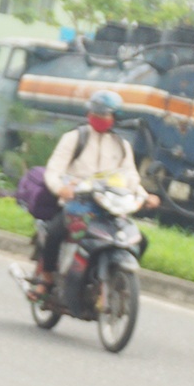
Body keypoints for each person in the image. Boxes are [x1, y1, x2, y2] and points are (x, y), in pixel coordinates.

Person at [33, 89, 159, 295]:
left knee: (140, 240)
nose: (98, 118)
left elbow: (131, 177)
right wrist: (60, 189)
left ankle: (115, 280)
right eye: (95, 113)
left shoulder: (122, 146)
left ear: (115, 118)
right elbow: (54, 170)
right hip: (78, 204)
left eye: (104, 114)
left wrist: (145, 196)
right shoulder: (74, 138)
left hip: (110, 207)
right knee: (56, 232)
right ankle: (46, 278)